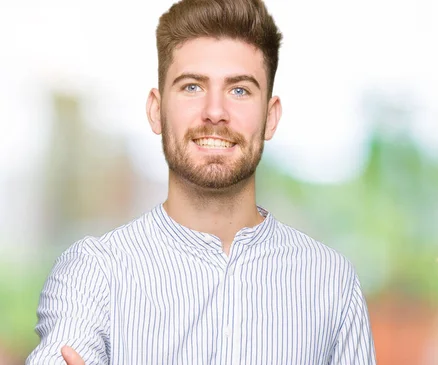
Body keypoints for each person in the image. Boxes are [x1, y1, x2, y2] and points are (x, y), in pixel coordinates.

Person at [26, 0, 376, 363]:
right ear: (155, 111)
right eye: (192, 87)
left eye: (239, 90)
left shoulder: (331, 282)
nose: (214, 112)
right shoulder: (95, 272)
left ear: (270, 117)